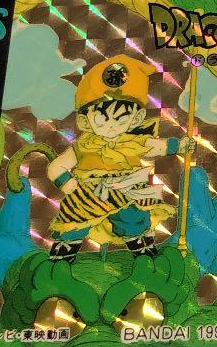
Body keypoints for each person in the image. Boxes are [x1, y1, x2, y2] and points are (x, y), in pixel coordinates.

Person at [45, 55, 194, 261]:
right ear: (85, 121)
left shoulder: (133, 141)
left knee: (134, 219)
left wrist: (180, 145)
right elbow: (56, 167)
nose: (111, 125)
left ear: (136, 118)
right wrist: (68, 184)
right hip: (88, 193)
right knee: (74, 220)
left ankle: (144, 256)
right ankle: (61, 257)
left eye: (121, 118)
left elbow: (156, 146)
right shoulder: (83, 146)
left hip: (127, 190)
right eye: (102, 118)